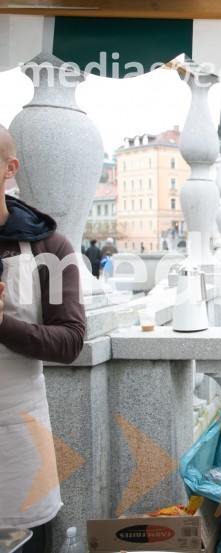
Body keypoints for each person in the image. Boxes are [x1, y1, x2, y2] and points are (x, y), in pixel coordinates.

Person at [0, 125, 85, 553]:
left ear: (8, 168)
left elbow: (70, 340)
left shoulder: (50, 246)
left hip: (15, 444)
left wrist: (2, 323)